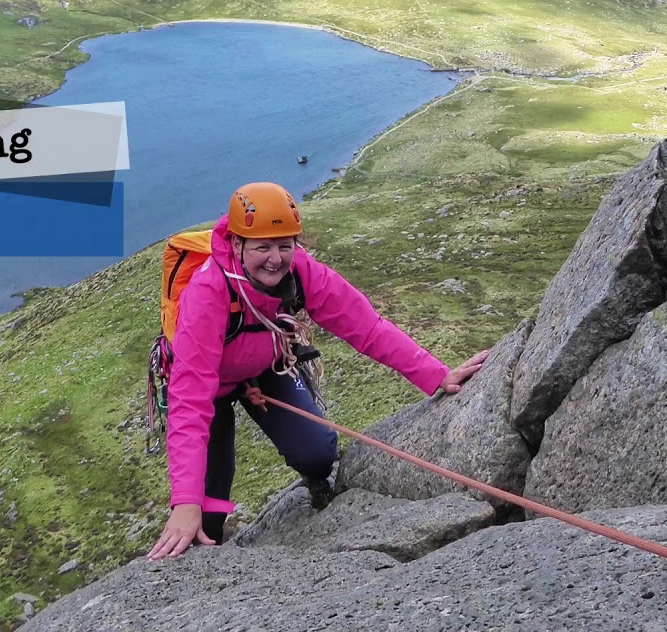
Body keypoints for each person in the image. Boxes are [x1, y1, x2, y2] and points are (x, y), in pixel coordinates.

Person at [146, 182, 490, 561]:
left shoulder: (301, 272)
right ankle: (207, 550)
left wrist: (435, 374)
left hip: (266, 365)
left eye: (285, 245)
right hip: (209, 390)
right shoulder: (208, 292)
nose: (275, 259)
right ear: (237, 243)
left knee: (318, 454)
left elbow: (365, 326)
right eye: (262, 247)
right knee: (205, 510)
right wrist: (185, 502)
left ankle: (311, 484)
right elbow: (190, 401)